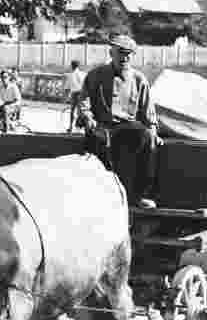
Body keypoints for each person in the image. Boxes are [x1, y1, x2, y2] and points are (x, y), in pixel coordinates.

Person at [79, 33, 160, 209]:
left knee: (146, 137)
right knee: (91, 153)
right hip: (102, 127)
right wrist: (89, 120)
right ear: (111, 53)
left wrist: (152, 128)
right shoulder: (95, 75)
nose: (125, 57)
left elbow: (148, 112)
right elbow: (84, 103)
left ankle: (138, 195)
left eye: (128, 54)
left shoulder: (139, 79)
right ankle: (94, 197)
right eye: (121, 53)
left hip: (128, 128)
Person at [66, 60, 86, 133]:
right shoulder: (83, 74)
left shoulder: (70, 75)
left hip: (74, 94)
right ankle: (83, 126)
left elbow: (67, 88)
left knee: (72, 111)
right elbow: (85, 84)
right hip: (82, 93)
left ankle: (70, 126)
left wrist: (67, 97)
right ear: (78, 66)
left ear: (72, 66)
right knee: (81, 111)